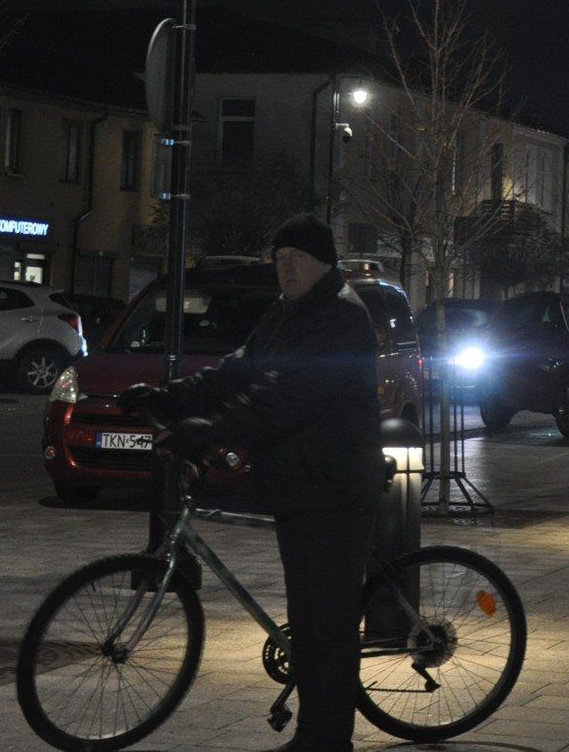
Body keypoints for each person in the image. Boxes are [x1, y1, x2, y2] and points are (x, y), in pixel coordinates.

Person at [121, 215, 382, 752]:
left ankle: (327, 741)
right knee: (309, 618)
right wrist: (172, 396)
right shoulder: (287, 310)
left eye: (298, 258)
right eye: (280, 259)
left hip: (332, 488)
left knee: (325, 625)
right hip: (301, 485)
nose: (286, 268)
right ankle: (315, 731)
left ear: (324, 262)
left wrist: (210, 429)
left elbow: (285, 397)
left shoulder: (340, 317)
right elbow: (238, 369)